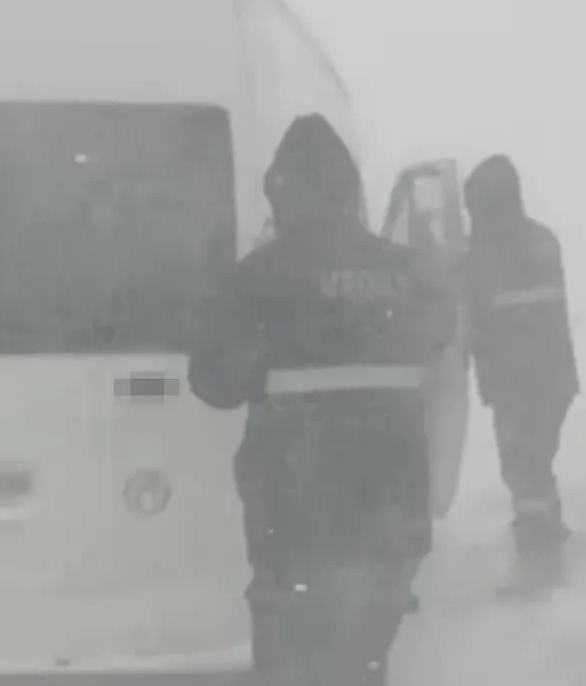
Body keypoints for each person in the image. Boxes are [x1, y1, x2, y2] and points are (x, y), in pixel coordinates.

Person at [187, 113, 457, 685]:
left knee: (297, 658)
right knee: (362, 656)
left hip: (297, 515)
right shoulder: (406, 271)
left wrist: (224, 306)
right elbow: (439, 336)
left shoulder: (259, 276)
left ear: (283, 192)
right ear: (347, 190)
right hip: (390, 511)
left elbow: (213, 383)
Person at [462, 154, 580, 597]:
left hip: (522, 383)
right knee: (534, 467)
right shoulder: (541, 240)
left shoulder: (489, 253)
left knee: (525, 469)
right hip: (552, 379)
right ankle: (547, 541)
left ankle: (540, 564)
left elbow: (481, 305)